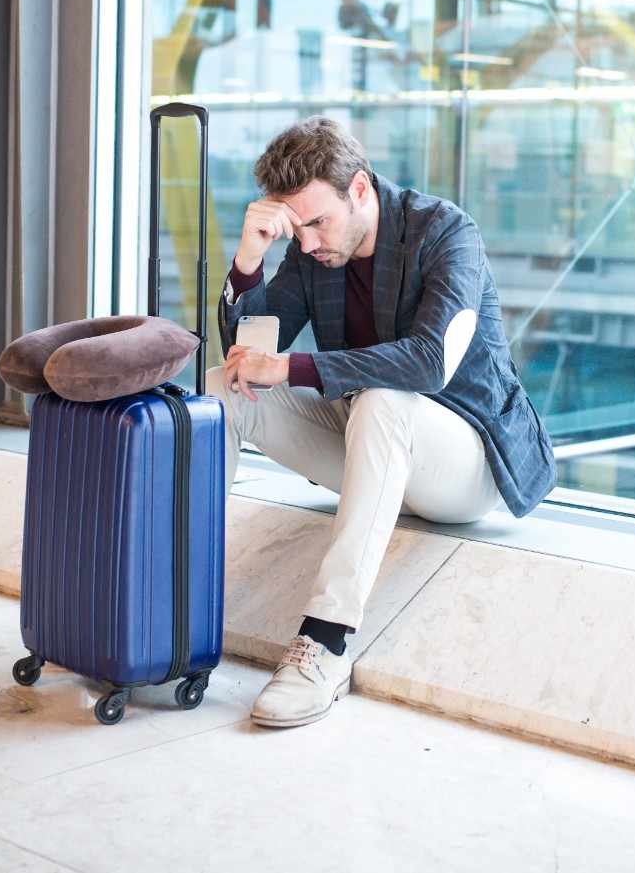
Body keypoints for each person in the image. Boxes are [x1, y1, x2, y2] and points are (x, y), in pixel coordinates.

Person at [208, 116, 556, 728]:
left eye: (319, 222)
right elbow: (252, 351)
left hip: (466, 460)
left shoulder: (445, 232)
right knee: (223, 386)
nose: (310, 242)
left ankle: (326, 643)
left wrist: (290, 367)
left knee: (383, 399)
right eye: (298, 227)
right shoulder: (313, 251)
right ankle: (183, 594)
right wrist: (249, 258)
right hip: (373, 446)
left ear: (360, 190)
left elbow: (429, 363)